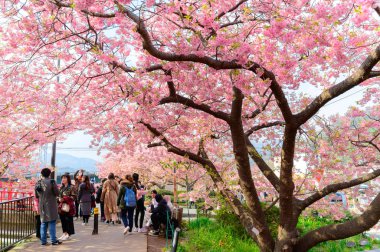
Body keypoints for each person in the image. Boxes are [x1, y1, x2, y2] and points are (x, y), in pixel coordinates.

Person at [35, 168, 62, 246]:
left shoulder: (38, 183)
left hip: (42, 205)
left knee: (43, 223)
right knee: (52, 222)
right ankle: (53, 240)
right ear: (49, 174)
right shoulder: (52, 182)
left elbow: (36, 195)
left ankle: (43, 241)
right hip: (51, 205)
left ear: (42, 174)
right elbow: (57, 193)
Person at [58, 174, 76, 240]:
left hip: (68, 206)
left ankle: (68, 233)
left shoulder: (71, 187)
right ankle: (64, 233)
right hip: (61, 206)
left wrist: (65, 199)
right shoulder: (61, 187)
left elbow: (74, 197)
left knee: (68, 220)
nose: (63, 179)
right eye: (62, 178)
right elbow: (58, 196)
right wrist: (59, 199)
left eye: (65, 178)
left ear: (68, 179)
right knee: (63, 220)